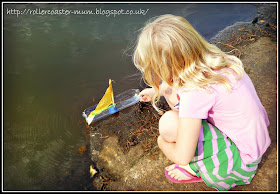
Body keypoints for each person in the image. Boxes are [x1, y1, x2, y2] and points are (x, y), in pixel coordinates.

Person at [132, 14, 271, 191]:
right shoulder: (215, 59)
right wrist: (157, 90)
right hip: (254, 142)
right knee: (174, 97)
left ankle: (202, 168)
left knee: (168, 124)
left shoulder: (195, 93)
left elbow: (182, 156)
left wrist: (162, 143)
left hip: (241, 161)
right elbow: (178, 83)